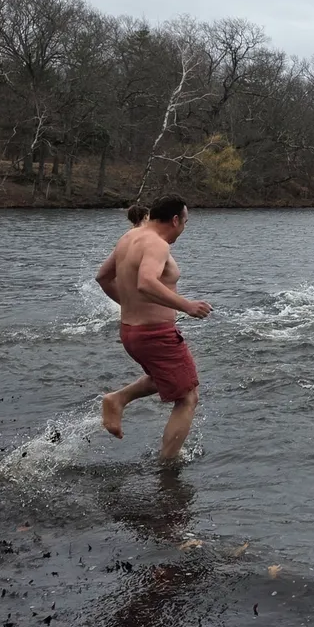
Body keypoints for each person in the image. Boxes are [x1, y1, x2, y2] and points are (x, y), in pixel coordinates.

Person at [95, 195, 211, 461]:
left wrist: (130, 305)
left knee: (163, 378)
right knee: (188, 396)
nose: (184, 229)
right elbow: (146, 282)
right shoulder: (157, 244)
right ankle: (168, 465)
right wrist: (187, 306)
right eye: (185, 222)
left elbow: (102, 277)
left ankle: (118, 399)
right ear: (174, 220)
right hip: (155, 334)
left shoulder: (129, 238)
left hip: (131, 332)